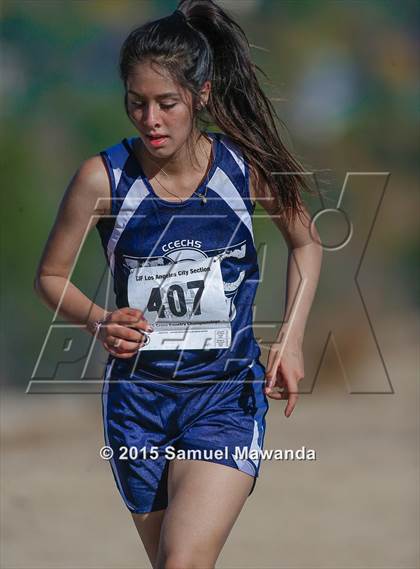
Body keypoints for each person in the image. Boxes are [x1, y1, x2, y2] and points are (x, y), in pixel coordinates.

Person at [34, 1, 323, 567]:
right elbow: (50, 277)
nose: (151, 120)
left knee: (182, 561)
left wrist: (290, 338)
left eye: (167, 103)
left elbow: (307, 241)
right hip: (136, 405)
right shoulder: (103, 178)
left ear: (202, 95)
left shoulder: (243, 169)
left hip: (223, 397)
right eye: (136, 103)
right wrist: (99, 320)